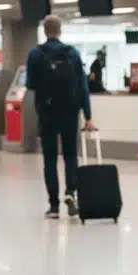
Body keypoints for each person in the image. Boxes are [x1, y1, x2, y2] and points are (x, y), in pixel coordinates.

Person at [26, 16, 94, 219]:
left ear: (45, 31)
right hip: (70, 111)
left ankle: (54, 206)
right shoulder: (72, 53)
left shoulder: (35, 54)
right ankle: (70, 192)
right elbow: (83, 87)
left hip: (47, 112)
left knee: (49, 158)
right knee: (71, 155)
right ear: (60, 31)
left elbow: (30, 84)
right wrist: (88, 115)